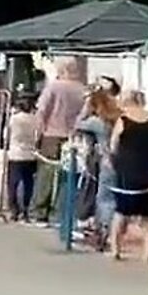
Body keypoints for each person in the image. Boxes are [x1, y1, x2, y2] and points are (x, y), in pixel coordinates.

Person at [109, 89, 148, 262]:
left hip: (127, 171)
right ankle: (147, 253)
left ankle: (115, 249)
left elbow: (114, 144)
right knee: (147, 215)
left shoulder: (123, 120)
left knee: (121, 211)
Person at [30, 58, 88, 224]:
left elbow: (42, 111)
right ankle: (59, 212)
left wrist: (37, 133)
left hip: (51, 134)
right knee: (66, 175)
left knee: (46, 173)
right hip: (73, 136)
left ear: (62, 70)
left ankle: (39, 211)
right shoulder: (82, 90)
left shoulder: (54, 87)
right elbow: (84, 114)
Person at [76, 83, 123, 250]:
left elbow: (78, 124)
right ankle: (111, 233)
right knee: (115, 198)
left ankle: (104, 234)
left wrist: (86, 106)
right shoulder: (118, 118)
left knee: (104, 199)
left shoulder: (97, 122)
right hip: (122, 162)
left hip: (107, 161)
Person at [5, 97, 39, 222]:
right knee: (28, 182)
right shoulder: (35, 120)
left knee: (13, 182)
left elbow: (7, 134)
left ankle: (14, 209)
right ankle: (25, 209)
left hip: (15, 153)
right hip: (30, 153)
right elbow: (38, 135)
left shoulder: (14, 119)